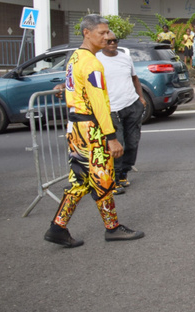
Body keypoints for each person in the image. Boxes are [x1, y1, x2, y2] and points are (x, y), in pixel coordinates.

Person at [43, 14, 144, 248]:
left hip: (76, 128)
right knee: (103, 177)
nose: (107, 37)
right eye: (102, 33)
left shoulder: (75, 58)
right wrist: (111, 137)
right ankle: (112, 228)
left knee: (81, 180)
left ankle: (58, 227)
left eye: (108, 32)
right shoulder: (92, 63)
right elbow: (99, 103)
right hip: (91, 130)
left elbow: (72, 91)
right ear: (86, 33)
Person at [96, 32, 146, 193]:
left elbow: (134, 78)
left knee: (132, 143)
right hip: (111, 109)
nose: (112, 43)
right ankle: (114, 179)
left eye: (115, 40)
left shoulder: (125, 58)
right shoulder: (96, 59)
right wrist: (63, 86)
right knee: (117, 145)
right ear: (102, 42)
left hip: (131, 105)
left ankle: (124, 172)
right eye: (108, 41)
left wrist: (141, 98)